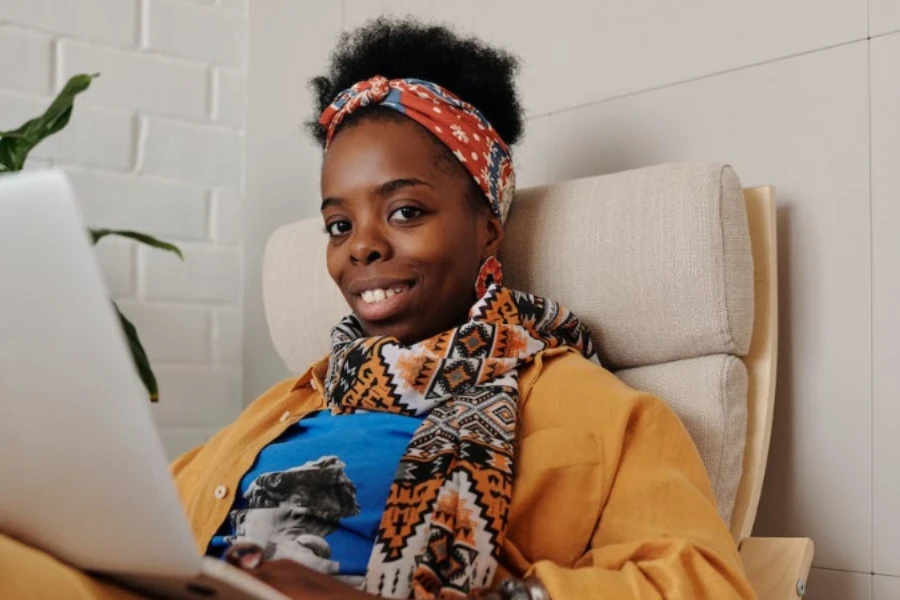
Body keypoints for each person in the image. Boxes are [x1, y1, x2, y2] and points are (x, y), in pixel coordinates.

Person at [1, 17, 756, 600]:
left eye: (403, 212)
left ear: (488, 224)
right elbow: (137, 523)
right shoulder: (290, 402)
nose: (360, 248)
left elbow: (698, 583)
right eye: (339, 224)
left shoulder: (594, 408)